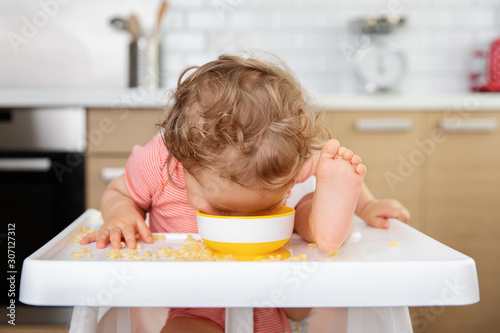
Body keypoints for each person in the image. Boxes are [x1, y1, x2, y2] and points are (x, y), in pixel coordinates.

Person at [81, 54, 410, 333]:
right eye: (224, 210)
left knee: (307, 212)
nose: (244, 221)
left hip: (274, 287)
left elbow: (329, 168)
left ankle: (328, 224)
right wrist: (120, 214)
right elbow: (120, 193)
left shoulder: (281, 158)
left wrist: (366, 205)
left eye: (264, 208)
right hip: (196, 303)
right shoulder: (159, 161)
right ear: (182, 160)